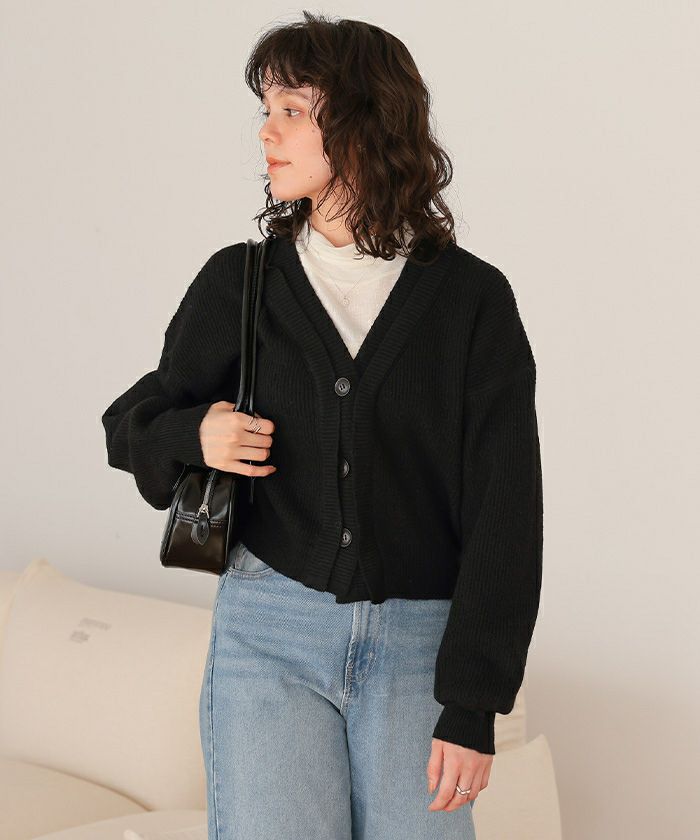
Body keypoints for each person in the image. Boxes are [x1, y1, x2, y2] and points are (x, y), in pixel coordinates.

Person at [101, 12, 543, 840]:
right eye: (266, 110)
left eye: (292, 111)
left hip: (420, 646)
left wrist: (473, 704)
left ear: (365, 122)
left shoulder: (471, 300)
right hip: (269, 633)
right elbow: (130, 422)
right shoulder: (242, 281)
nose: (265, 133)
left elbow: (505, 512)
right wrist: (196, 435)